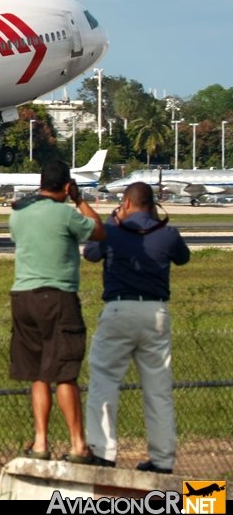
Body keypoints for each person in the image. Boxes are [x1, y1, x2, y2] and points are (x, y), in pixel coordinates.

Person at [84, 181, 190, 474]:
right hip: (155, 310)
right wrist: (157, 224)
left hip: (119, 307)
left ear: (126, 204)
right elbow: (183, 257)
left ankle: (103, 452)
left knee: (104, 380)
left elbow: (91, 253)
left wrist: (110, 221)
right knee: (158, 389)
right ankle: (162, 460)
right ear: (152, 206)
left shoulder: (114, 230)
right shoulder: (167, 233)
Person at [8, 159, 106, 463]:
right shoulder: (66, 214)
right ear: (66, 186)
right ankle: (78, 445)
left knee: (39, 374)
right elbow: (98, 232)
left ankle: (40, 444)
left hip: (22, 296)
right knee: (64, 372)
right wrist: (79, 200)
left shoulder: (18, 216)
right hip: (57, 297)